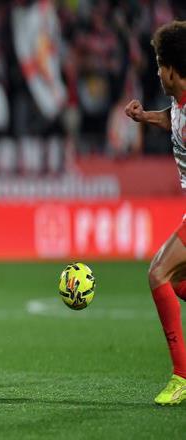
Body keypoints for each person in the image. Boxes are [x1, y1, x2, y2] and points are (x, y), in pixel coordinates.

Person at [125, 20, 186, 405]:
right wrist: (145, 116)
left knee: (158, 273)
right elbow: (173, 118)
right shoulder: (180, 103)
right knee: (177, 282)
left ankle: (181, 377)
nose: (157, 73)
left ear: (173, 69)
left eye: (160, 65)